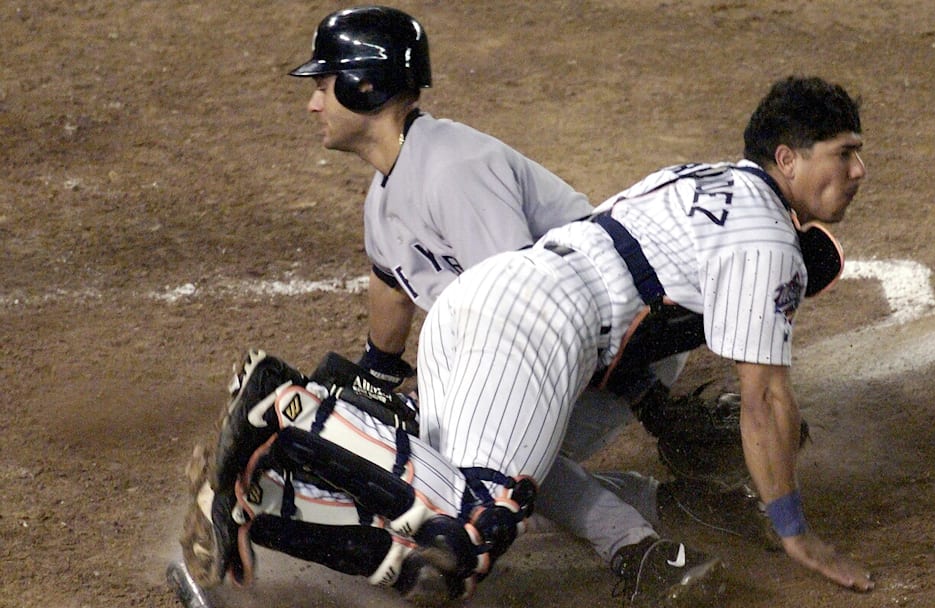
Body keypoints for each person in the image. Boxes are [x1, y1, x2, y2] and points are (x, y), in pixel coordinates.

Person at [180, 73, 875, 604]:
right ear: (787, 158)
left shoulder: (703, 180)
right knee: (478, 525)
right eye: (843, 153)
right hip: (537, 324)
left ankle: (265, 508)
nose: (856, 172)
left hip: (500, 311)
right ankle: (291, 408)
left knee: (443, 545)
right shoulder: (764, 236)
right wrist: (795, 531)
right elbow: (766, 401)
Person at [186, 4, 715, 602]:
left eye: (325, 86)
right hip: (545, 348)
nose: (313, 104)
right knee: (442, 459)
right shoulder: (387, 195)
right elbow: (391, 295)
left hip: (610, 353)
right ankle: (675, 505)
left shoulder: (455, 169)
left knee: (459, 479)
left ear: (366, 85)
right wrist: (368, 388)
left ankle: (641, 550)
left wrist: (651, 405)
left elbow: (529, 307)